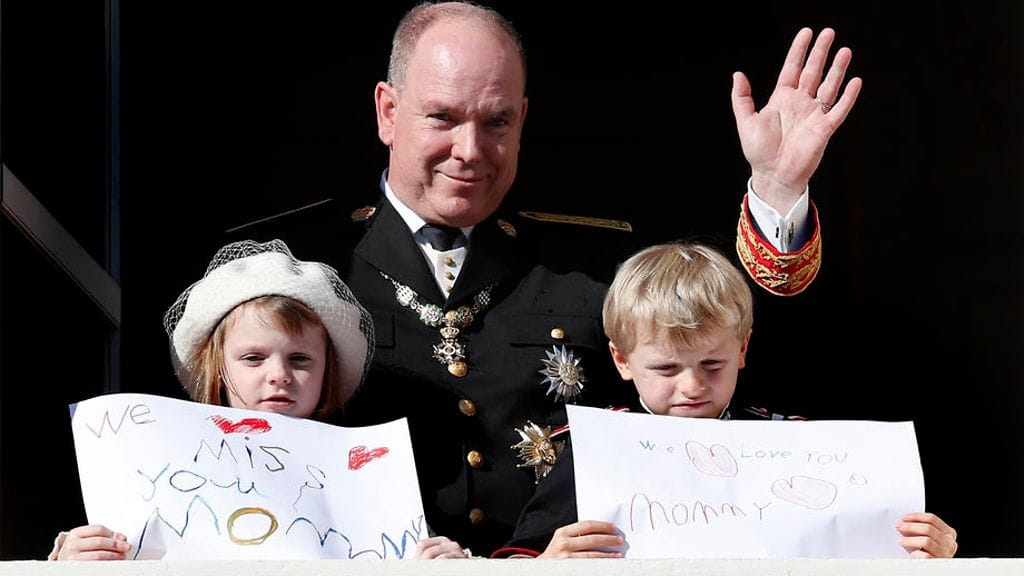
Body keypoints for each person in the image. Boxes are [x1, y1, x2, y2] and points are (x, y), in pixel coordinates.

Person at [224, 1, 860, 556]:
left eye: (496, 122)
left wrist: (778, 191)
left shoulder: (596, 262)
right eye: (442, 118)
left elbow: (743, 360)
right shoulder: (286, 264)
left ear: (523, 120)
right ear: (388, 112)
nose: (470, 149)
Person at [490, 242, 959, 559]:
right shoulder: (593, 450)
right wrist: (546, 562)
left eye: (712, 364)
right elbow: (524, 551)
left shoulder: (794, 442)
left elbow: (871, 543)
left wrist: (928, 551)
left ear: (742, 349)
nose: (692, 386)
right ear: (622, 360)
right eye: (667, 368)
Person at [51, 239, 467, 561]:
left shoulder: (372, 477)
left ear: (328, 371)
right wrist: (74, 557)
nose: (279, 374)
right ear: (217, 368)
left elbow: (401, 548)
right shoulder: (151, 460)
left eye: (300, 359)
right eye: (253, 358)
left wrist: (443, 562)